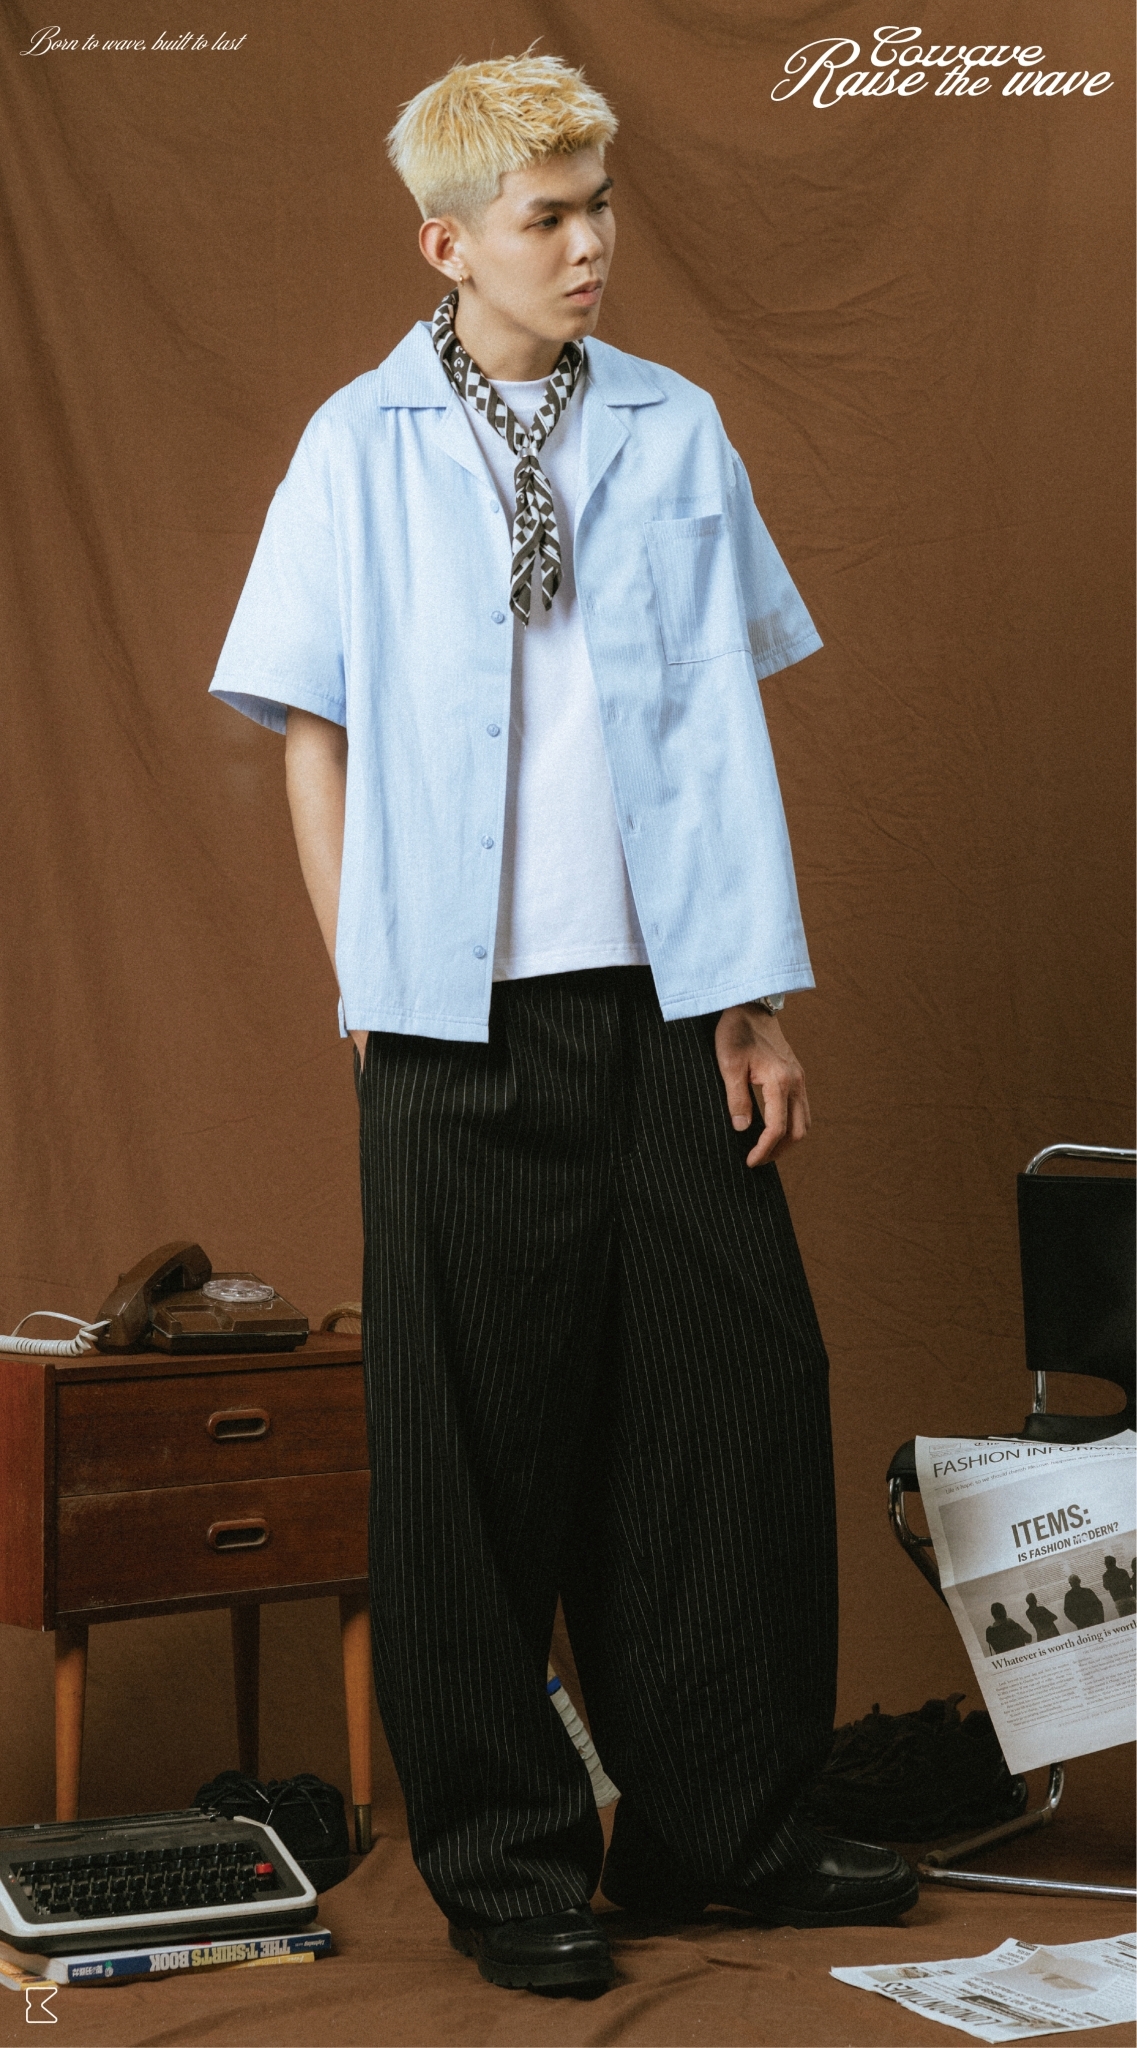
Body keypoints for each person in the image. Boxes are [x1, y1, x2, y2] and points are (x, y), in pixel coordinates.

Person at [208, 53, 917, 1997]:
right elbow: (307, 735)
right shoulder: (355, 448)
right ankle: (512, 1866)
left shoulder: (676, 428)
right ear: (447, 244)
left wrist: (750, 998)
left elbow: (717, 729)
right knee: (471, 1451)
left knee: (729, 1403)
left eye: (599, 204)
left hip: (668, 1005)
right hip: (451, 1019)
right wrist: (365, 983)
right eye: (547, 216)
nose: (591, 244)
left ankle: (727, 1829)